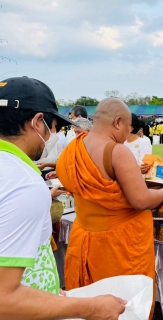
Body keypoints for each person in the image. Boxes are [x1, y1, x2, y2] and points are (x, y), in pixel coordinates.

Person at [0, 76, 126, 319]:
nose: (51, 135)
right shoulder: (24, 183)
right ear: (38, 122)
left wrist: (44, 294)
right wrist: (91, 308)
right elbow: (4, 298)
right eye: (53, 126)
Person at [56, 98, 163, 317]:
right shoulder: (117, 151)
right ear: (118, 122)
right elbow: (140, 200)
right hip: (119, 246)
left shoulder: (73, 148)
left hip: (83, 238)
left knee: (89, 302)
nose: (129, 134)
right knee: (124, 307)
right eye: (129, 128)